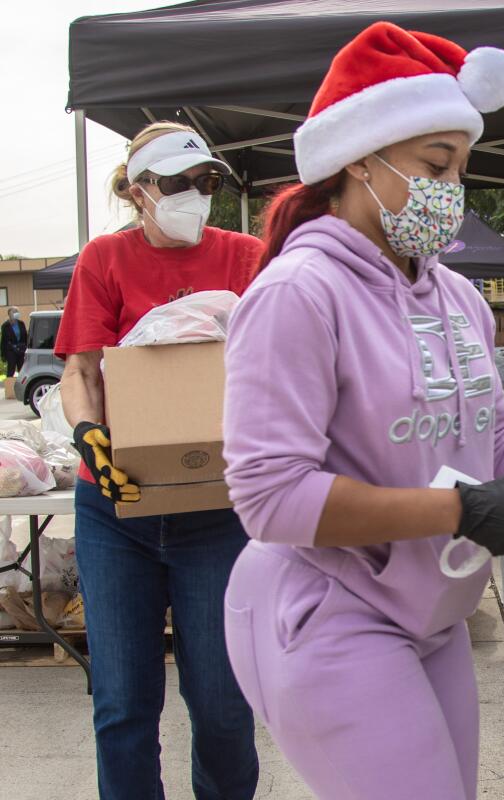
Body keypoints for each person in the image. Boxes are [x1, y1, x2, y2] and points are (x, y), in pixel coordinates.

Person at [218, 24, 504, 800]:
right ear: (360, 157)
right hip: (331, 613)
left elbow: (491, 443)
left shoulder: (456, 297)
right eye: (434, 166)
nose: (453, 189)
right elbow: (269, 496)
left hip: (436, 613)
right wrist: (461, 509)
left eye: (461, 167)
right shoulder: (298, 294)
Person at [57, 121, 261, 800]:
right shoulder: (105, 260)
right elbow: (81, 370)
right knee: (122, 708)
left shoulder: (246, 257)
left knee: (226, 709)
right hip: (119, 509)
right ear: (139, 192)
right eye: (176, 183)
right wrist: (89, 434)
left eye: (205, 182)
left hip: (217, 507)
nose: (195, 195)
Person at [1, 307, 27, 376]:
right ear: (10, 314)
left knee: (22, 370)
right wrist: (3, 355)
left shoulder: (21, 323)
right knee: (11, 370)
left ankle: (22, 386)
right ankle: (9, 385)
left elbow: (25, 337)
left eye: (17, 311)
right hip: (11, 351)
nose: (16, 313)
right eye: (14, 312)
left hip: (21, 350)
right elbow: (3, 341)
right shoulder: (5, 326)